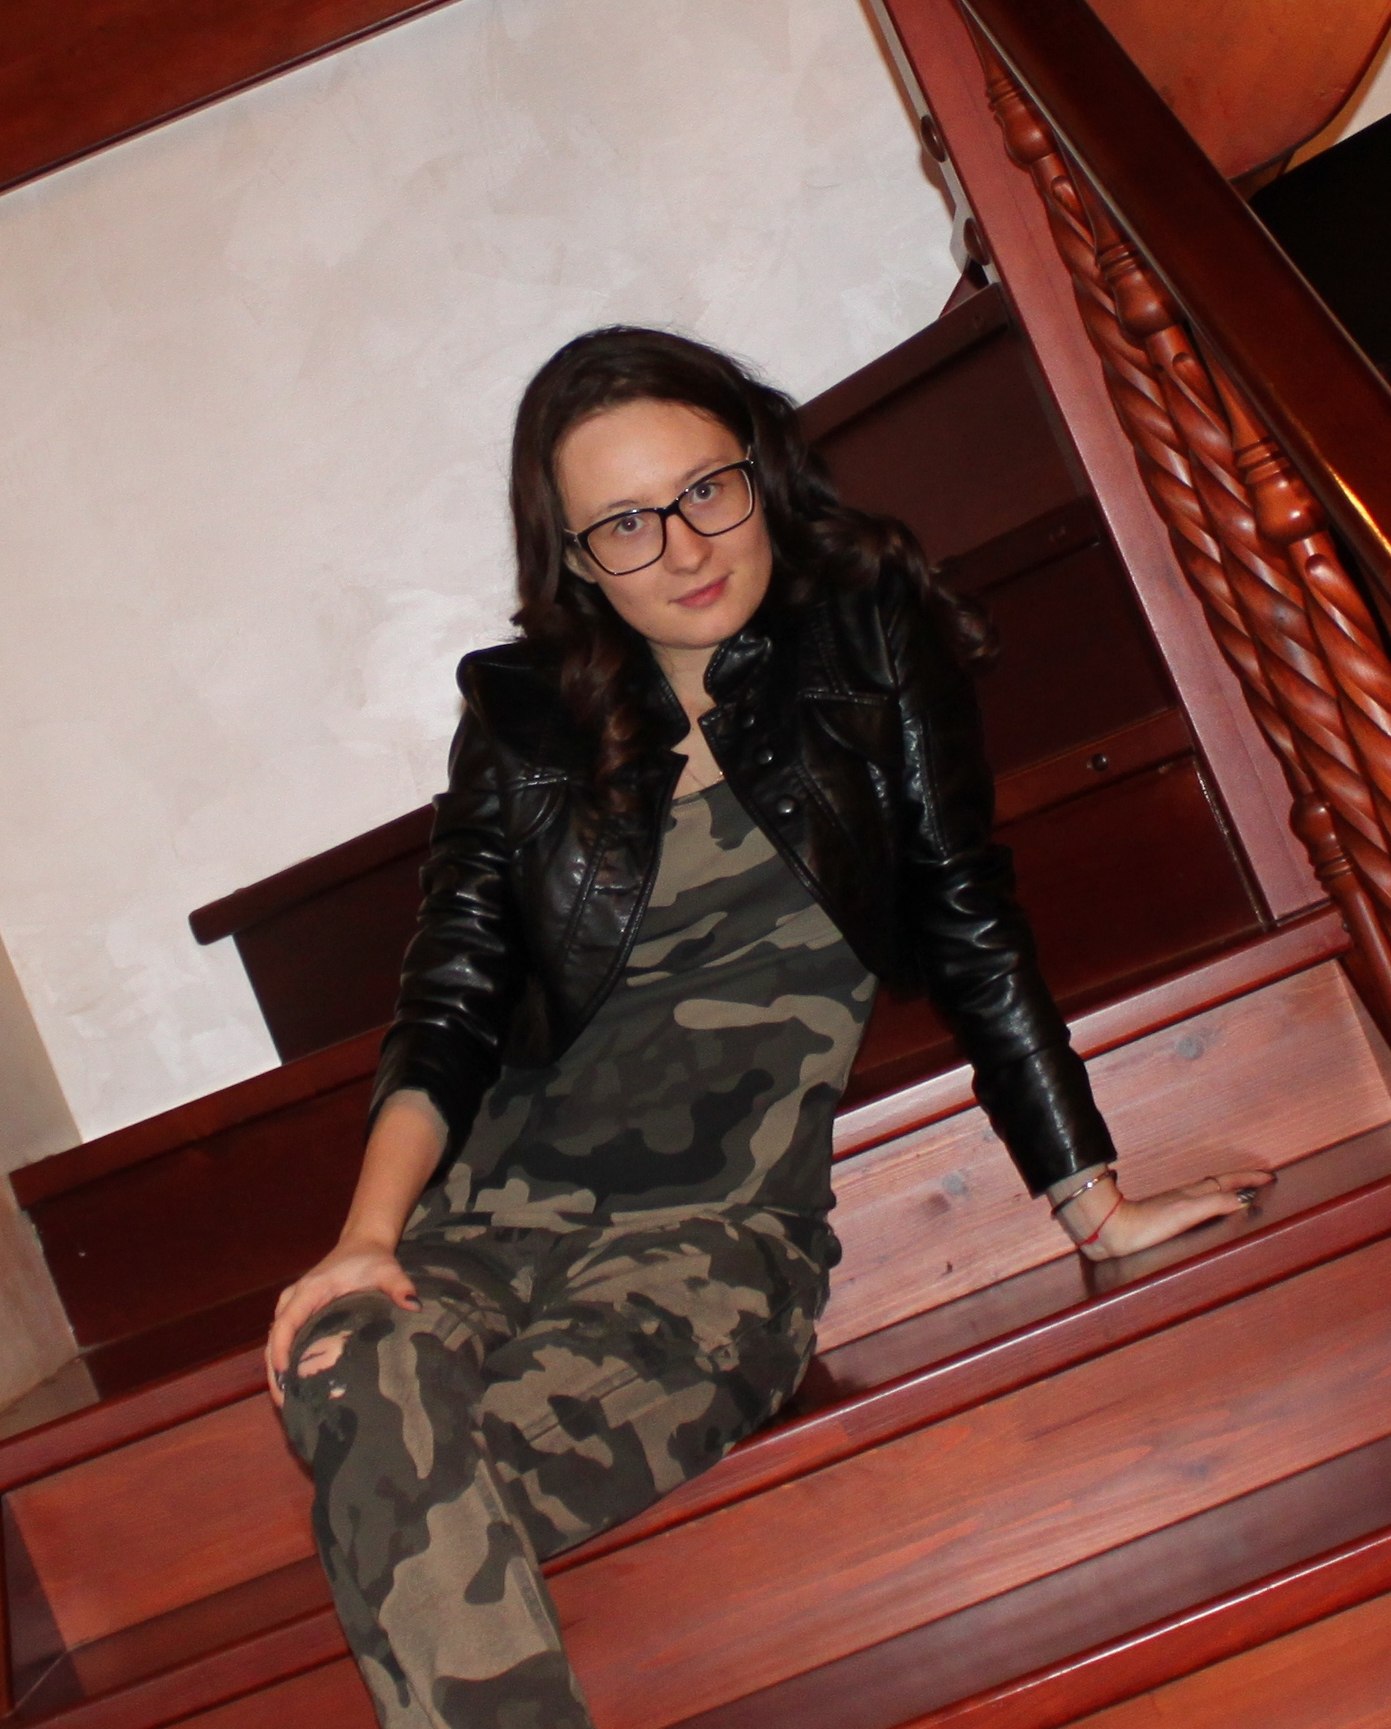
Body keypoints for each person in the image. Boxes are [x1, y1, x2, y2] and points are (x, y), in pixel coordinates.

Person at [265, 325, 1270, 1729]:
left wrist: (1090, 1201)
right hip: (492, 1222)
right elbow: (450, 1002)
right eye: (626, 522)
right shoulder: (522, 720)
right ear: (575, 558)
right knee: (352, 1365)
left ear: (760, 468)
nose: (683, 546)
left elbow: (969, 917)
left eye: (705, 489)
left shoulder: (864, 637)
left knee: (398, 1485)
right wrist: (369, 1239)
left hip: (714, 1244)